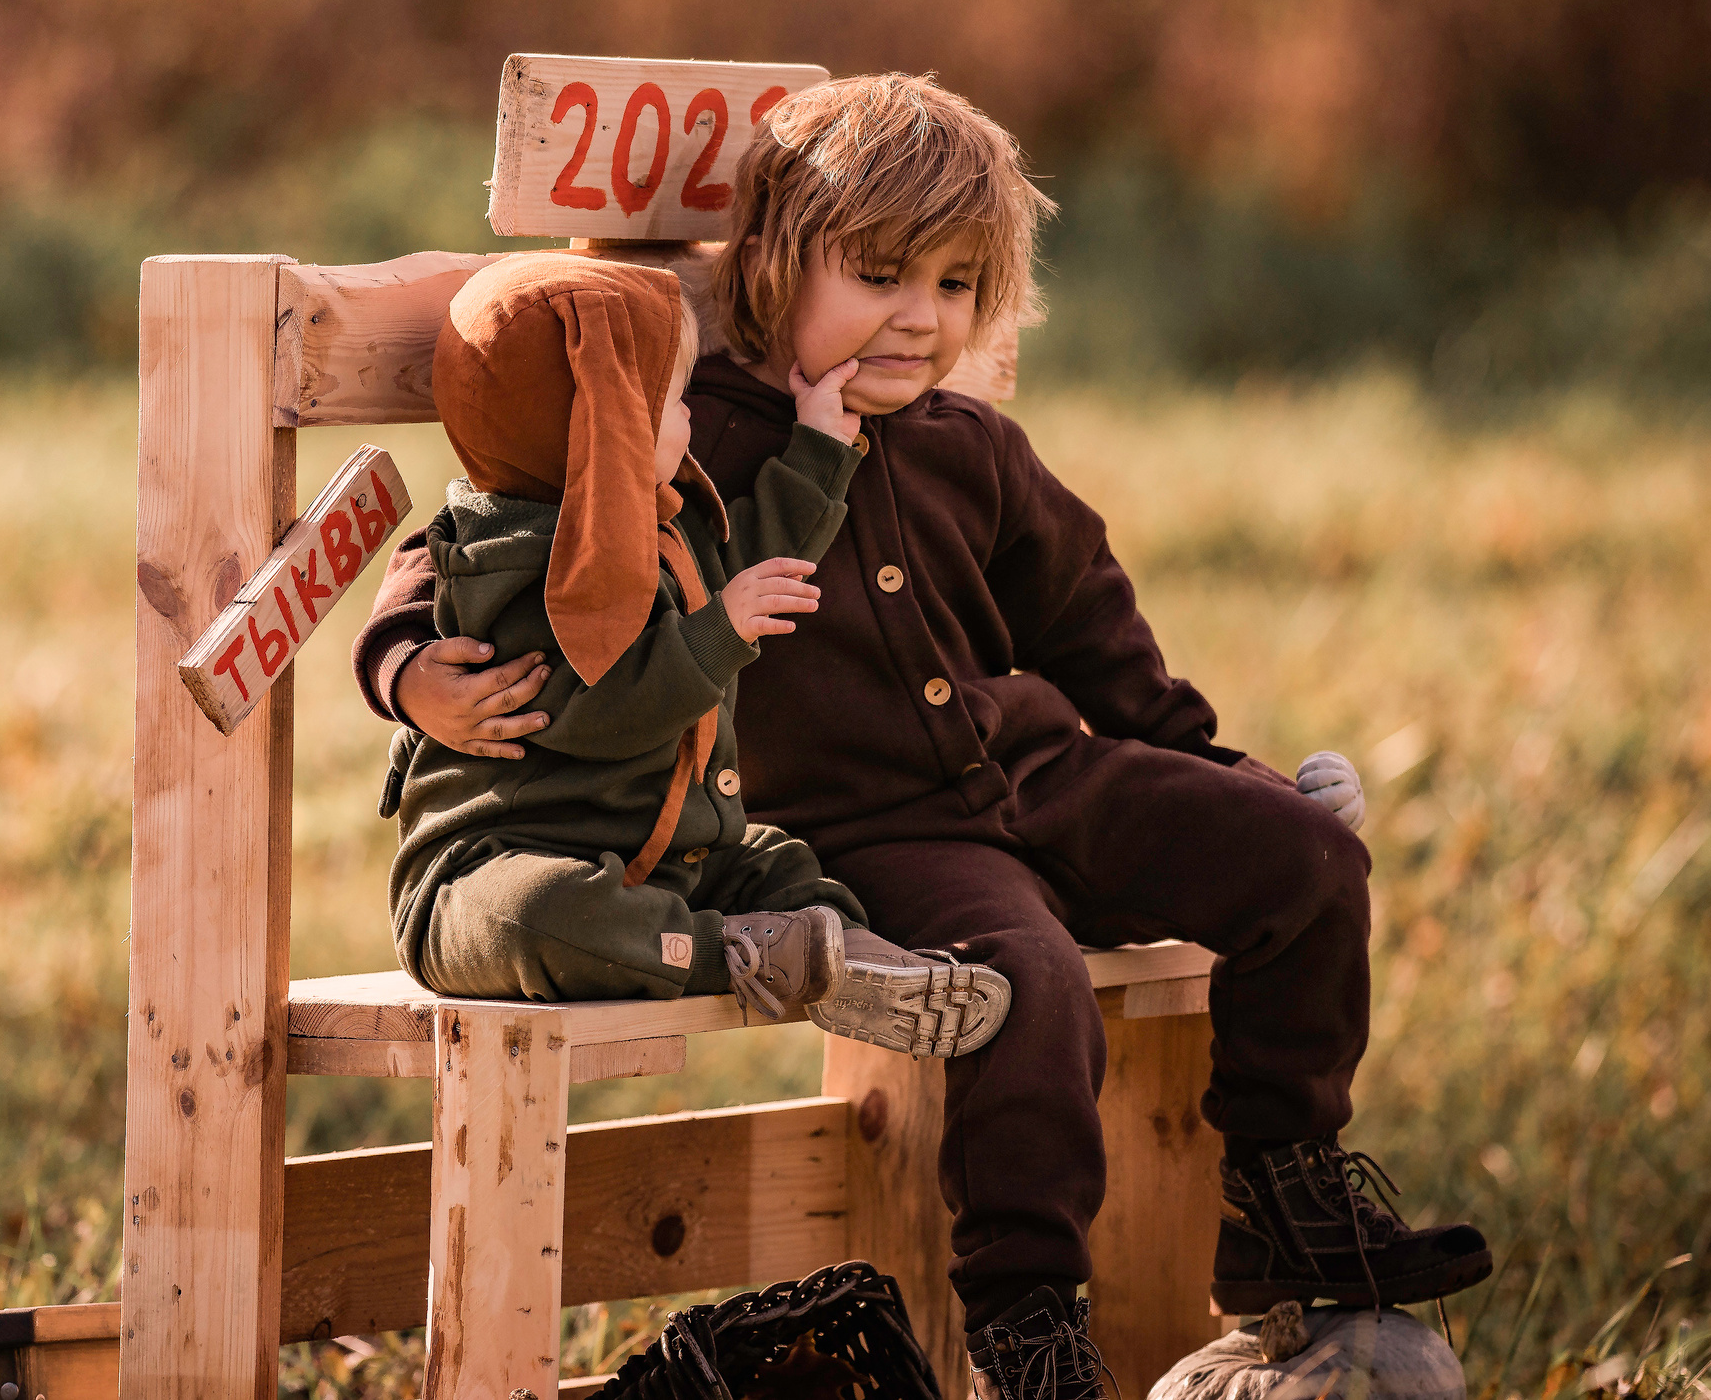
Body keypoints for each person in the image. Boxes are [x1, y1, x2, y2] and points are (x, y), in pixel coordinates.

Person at [353, 76, 1493, 1399]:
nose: (920, 315)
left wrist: (1207, 761)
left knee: (1304, 862)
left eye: (955, 284)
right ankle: (1028, 1321)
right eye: (881, 272)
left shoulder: (974, 446)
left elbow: (1090, 619)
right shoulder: (696, 435)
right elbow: (480, 536)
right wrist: (405, 667)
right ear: (777, 264)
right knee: (1031, 980)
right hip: (876, 829)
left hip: (1041, 772)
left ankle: (1287, 1200)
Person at [383, 252, 1011, 1058]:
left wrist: (818, 448)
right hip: (494, 870)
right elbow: (596, 714)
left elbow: (749, 559)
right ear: (604, 425)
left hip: (662, 858)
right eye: (672, 402)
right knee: (547, 912)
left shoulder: (654, 527)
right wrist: (721, 631)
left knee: (776, 860)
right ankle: (744, 954)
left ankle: (854, 958)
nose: (688, 421)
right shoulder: (508, 568)